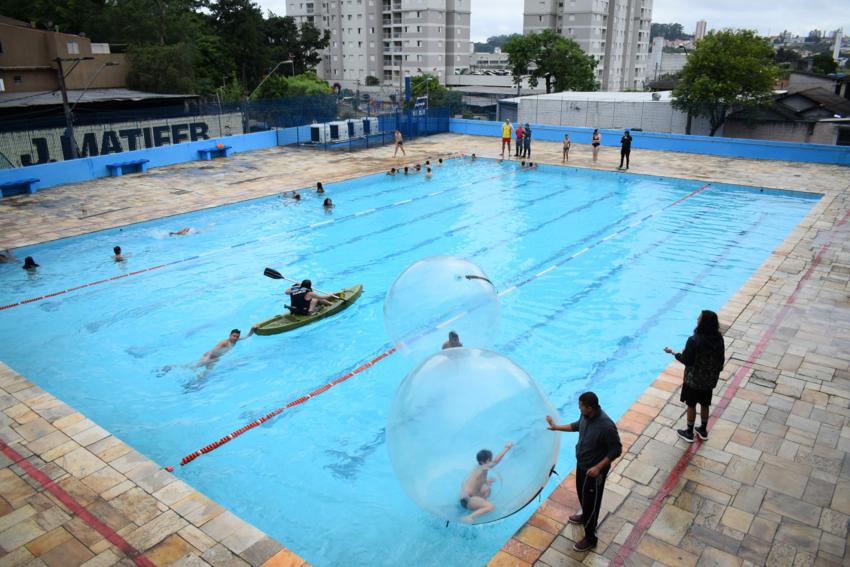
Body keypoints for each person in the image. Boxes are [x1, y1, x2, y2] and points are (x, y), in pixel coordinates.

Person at [546, 392, 622, 552]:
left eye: (581, 406)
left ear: (590, 407)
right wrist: (555, 427)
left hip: (594, 472)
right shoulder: (586, 416)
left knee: (591, 503)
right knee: (582, 495)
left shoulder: (606, 426)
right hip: (582, 466)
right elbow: (576, 426)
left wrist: (598, 467)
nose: (579, 408)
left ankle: (590, 538)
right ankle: (584, 516)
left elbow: (616, 449)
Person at [664, 310, 725, 442]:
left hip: (693, 381)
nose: (697, 319)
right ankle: (703, 430)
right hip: (708, 381)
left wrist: (675, 353)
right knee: (705, 404)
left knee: (691, 404)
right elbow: (720, 361)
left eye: (699, 318)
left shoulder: (693, 340)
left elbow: (687, 360)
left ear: (703, 323)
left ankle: (689, 432)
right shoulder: (719, 339)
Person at [459, 442, 512, 522]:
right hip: (467, 500)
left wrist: (488, 481)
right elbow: (495, 462)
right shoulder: (484, 467)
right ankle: (470, 517)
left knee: (487, 489)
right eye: (490, 459)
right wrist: (507, 448)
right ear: (487, 460)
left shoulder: (477, 468)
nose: (491, 461)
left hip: (466, 496)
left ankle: (479, 504)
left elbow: (476, 482)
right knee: (491, 507)